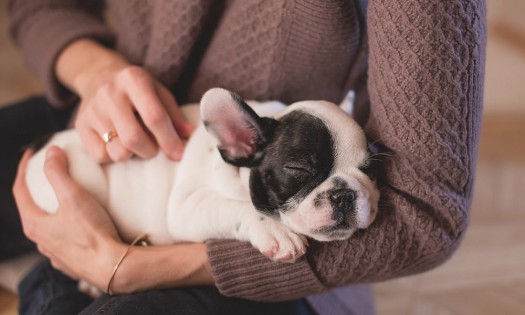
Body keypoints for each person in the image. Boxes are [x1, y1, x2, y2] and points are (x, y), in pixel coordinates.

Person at [2, 0, 486, 314]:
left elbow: (427, 214)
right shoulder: (247, 142)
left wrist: (128, 268)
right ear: (237, 144)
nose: (341, 194)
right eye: (303, 176)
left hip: (227, 249)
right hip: (106, 128)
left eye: (364, 172)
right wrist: (96, 72)